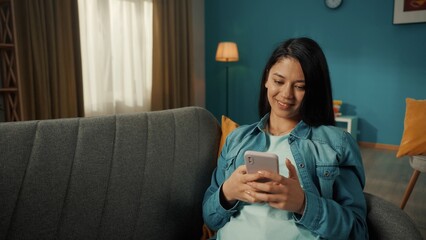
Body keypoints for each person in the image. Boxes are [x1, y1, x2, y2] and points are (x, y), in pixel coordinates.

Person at [202, 37, 368, 239]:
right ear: (266, 79)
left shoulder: (337, 143)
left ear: (313, 90)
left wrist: (303, 203)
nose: (286, 94)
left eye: (300, 86)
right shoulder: (237, 139)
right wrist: (227, 192)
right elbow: (210, 218)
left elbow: (358, 232)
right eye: (278, 81)